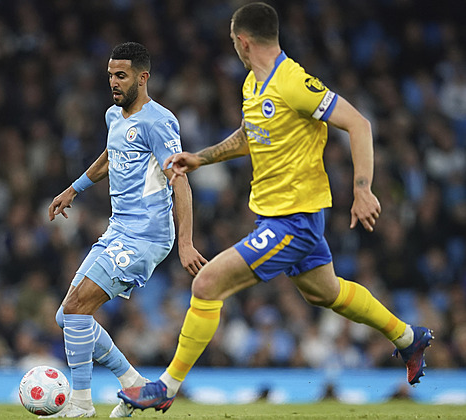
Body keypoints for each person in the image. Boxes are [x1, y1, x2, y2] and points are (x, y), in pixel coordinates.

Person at [118, 2, 433, 413]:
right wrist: (201, 158)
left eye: (233, 41)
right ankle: (410, 338)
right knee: (328, 294)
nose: (234, 47)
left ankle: (167, 386)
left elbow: (359, 123)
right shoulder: (253, 85)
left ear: (243, 41)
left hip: (295, 221)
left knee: (207, 284)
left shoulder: (294, 82)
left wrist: (363, 189)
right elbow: (249, 136)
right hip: (278, 215)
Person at [46, 42, 207, 418]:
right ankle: (132, 383)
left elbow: (179, 180)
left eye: (121, 76)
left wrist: (185, 242)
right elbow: (109, 156)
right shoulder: (113, 117)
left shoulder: (159, 121)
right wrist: (73, 190)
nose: (114, 83)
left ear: (142, 77)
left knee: (76, 309)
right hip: (119, 230)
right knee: (67, 317)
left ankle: (82, 404)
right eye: (110, 76)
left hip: (147, 235)